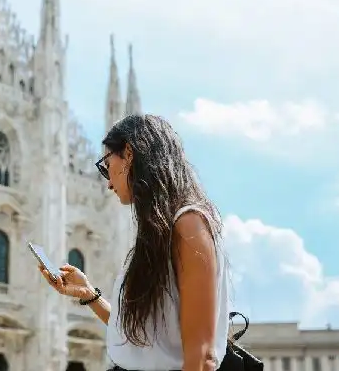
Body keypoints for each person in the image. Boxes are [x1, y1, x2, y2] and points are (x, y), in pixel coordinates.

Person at [40, 114, 230, 371]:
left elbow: (202, 356)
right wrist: (90, 295)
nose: (107, 182)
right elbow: (141, 342)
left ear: (128, 153)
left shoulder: (189, 225)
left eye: (106, 164)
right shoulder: (158, 231)